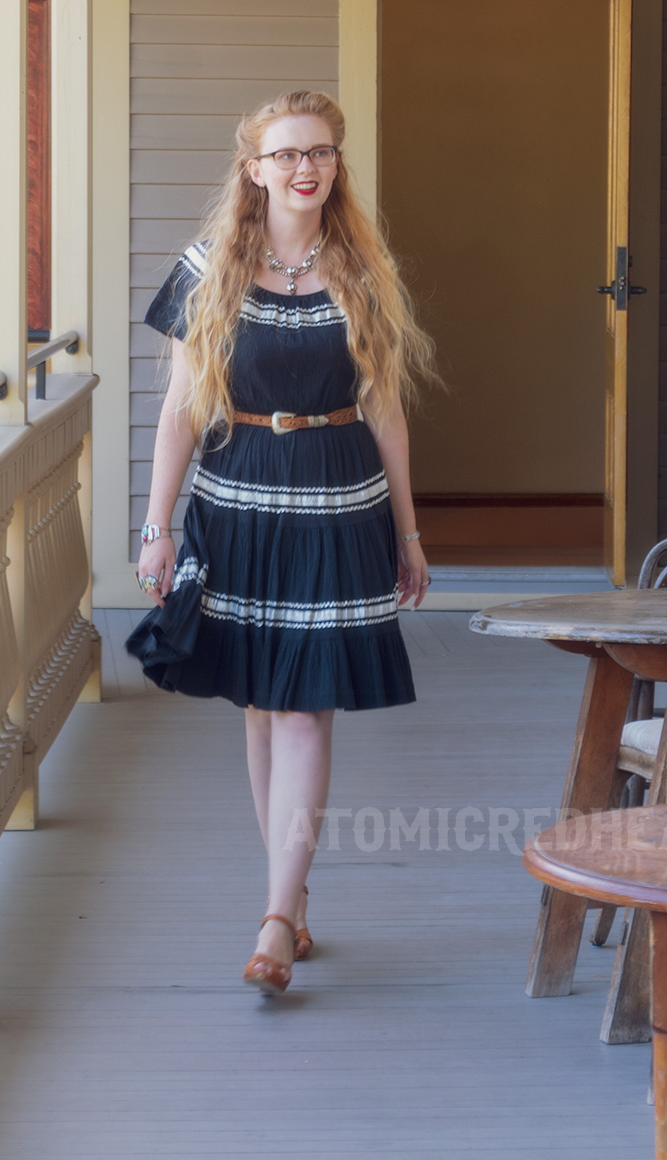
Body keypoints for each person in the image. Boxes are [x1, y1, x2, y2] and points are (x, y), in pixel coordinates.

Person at [126, 89, 435, 997]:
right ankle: (290, 902)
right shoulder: (207, 269)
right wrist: (157, 528)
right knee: (262, 706)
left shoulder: (362, 273)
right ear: (254, 167)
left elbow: (386, 407)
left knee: (303, 710)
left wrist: (409, 534)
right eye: (288, 153)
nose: (307, 168)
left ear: (337, 166)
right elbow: (181, 411)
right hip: (238, 501)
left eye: (323, 153)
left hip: (340, 503)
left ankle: (272, 919)